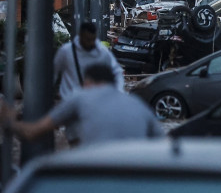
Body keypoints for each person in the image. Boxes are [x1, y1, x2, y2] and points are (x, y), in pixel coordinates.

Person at [3, 63, 164, 146]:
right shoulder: (136, 104)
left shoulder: (80, 97)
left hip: (95, 178)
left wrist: (9, 122)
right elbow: (163, 146)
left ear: (88, 82)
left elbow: (33, 132)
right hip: (135, 183)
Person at [54, 22, 124, 144]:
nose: (91, 43)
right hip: (71, 106)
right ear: (80, 36)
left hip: (94, 105)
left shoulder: (102, 52)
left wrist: (118, 93)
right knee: (75, 142)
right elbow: (53, 72)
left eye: (93, 39)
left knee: (94, 142)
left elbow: (117, 72)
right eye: (87, 39)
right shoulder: (66, 52)